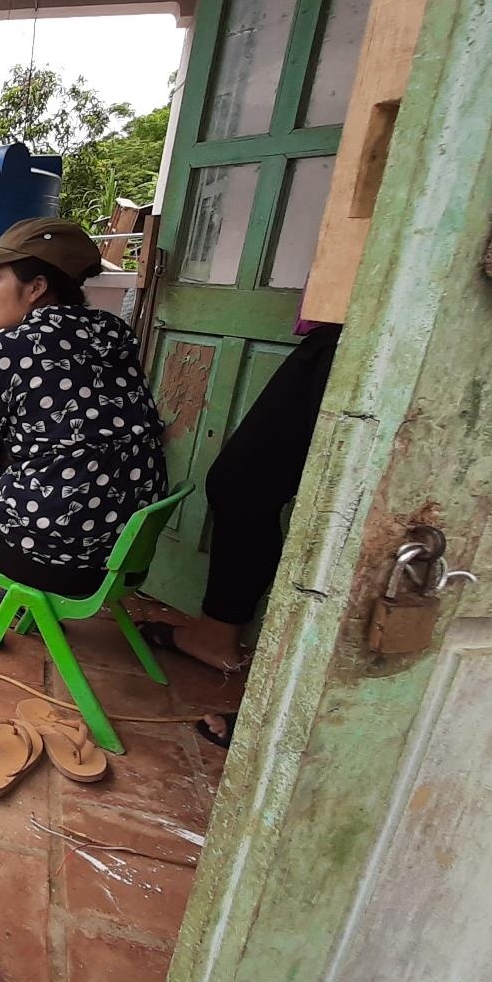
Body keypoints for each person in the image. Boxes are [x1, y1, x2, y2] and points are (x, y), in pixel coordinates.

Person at [0, 218, 166, 647]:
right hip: (124, 553)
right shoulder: (112, 331)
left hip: (56, 559)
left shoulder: (6, 346)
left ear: (36, 288)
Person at [143, 315, 343, 748]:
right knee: (241, 483)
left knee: (344, 512)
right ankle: (216, 634)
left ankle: (301, 712)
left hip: (386, 330)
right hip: (336, 328)